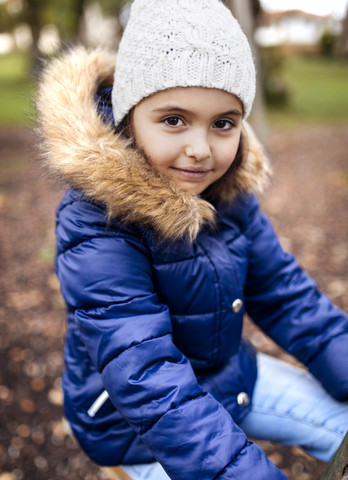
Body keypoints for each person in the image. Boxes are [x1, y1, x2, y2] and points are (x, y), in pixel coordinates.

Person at [37, 0, 348, 479]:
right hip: (135, 425)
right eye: (174, 120)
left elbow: (286, 296)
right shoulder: (95, 220)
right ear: (129, 117)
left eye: (223, 123)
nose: (200, 150)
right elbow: (146, 377)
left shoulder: (228, 193)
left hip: (229, 378)